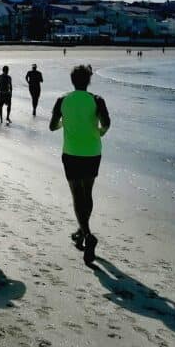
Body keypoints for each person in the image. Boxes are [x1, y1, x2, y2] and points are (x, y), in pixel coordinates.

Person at [50, 65, 111, 265]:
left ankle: (86, 233)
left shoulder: (62, 100)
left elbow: (52, 126)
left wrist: (64, 124)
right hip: (93, 152)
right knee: (88, 193)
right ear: (89, 81)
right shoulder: (97, 100)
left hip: (71, 152)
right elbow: (106, 123)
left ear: (72, 81)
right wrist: (99, 133)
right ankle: (82, 230)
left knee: (77, 194)